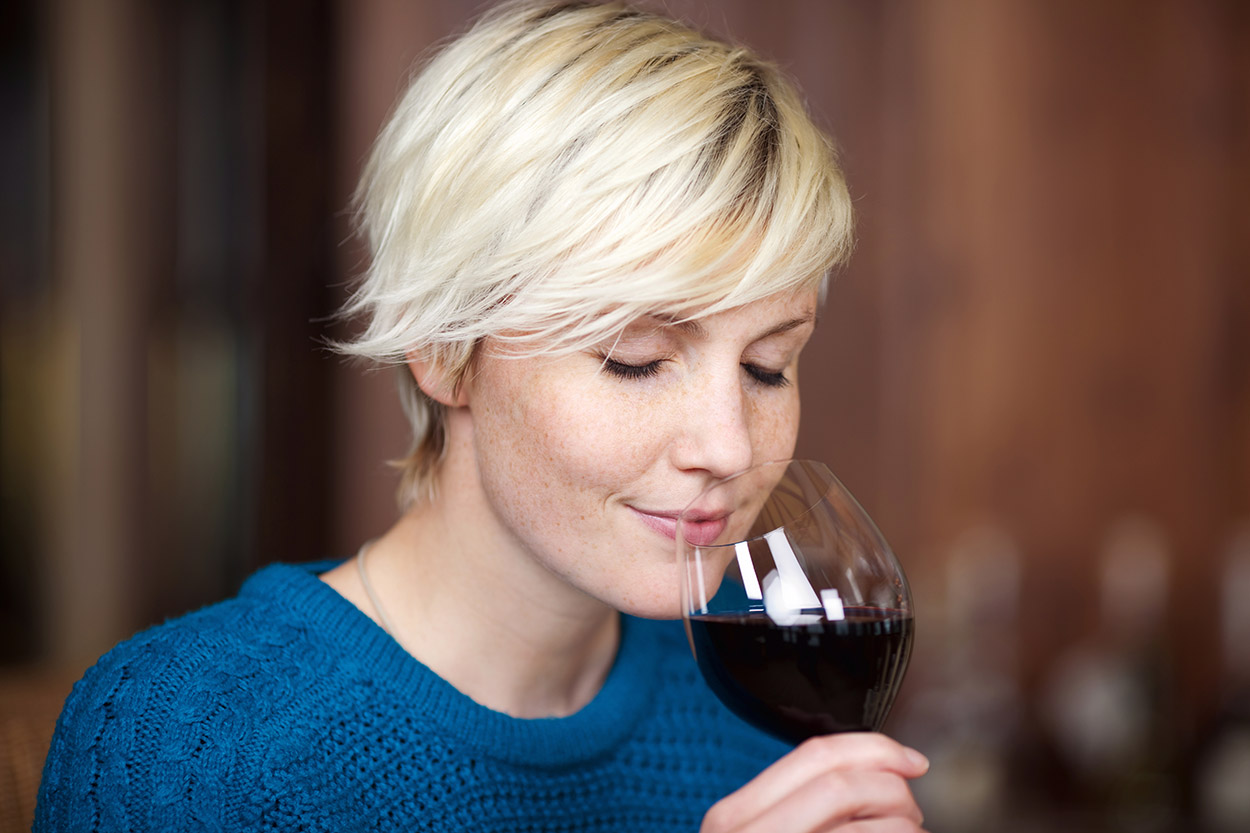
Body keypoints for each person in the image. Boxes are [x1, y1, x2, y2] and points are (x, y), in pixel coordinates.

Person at [36, 1, 930, 830]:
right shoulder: (186, 748)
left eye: (768, 367)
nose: (730, 446)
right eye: (637, 359)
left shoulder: (766, 713)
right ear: (442, 348)